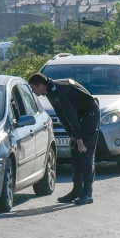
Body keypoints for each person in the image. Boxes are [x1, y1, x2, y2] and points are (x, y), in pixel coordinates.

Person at [29, 73, 100, 205]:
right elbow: (61, 114)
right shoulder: (50, 92)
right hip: (78, 118)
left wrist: (79, 137)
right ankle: (77, 189)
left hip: (89, 115)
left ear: (40, 85)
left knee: (85, 151)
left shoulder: (60, 89)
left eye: (34, 88)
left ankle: (87, 192)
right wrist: (71, 135)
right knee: (75, 152)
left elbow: (70, 112)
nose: (34, 92)